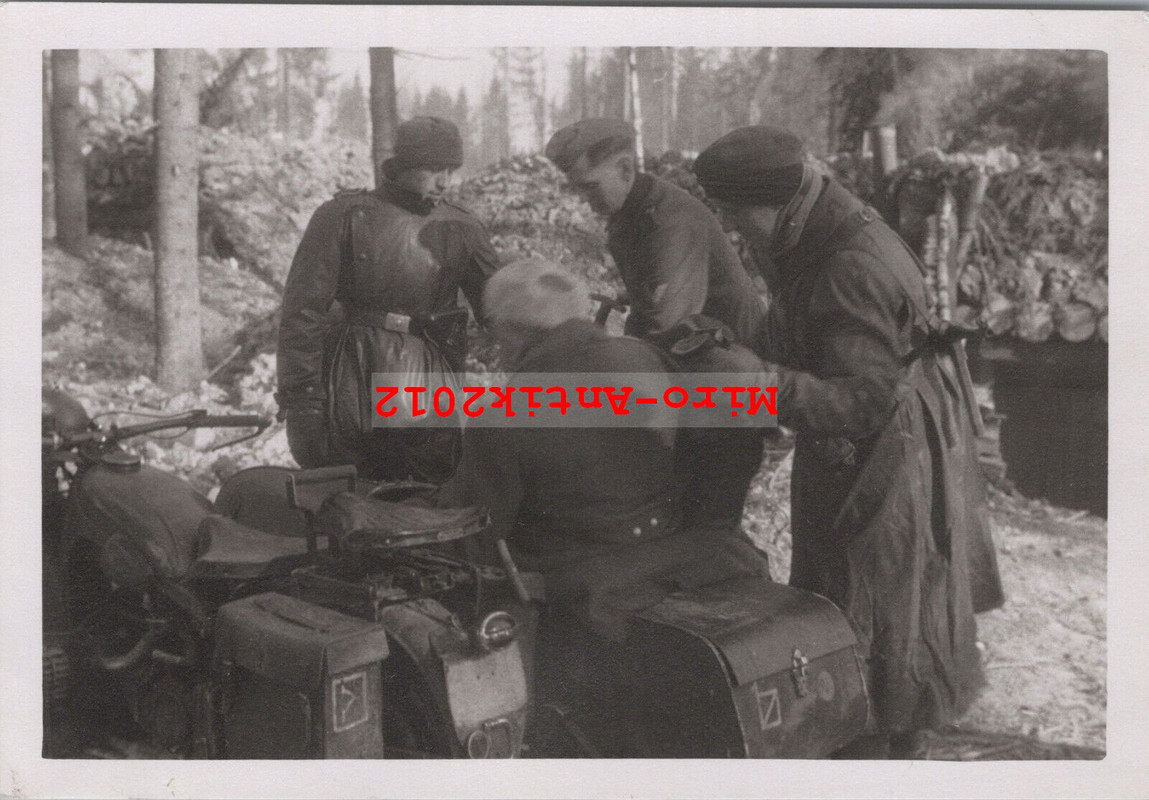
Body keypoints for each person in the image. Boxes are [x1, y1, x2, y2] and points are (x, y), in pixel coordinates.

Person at [693, 125, 1005, 758]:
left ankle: (872, 759)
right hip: (885, 437)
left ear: (772, 200)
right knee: (883, 610)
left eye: (732, 211)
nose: (727, 226)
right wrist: (737, 347)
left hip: (886, 452)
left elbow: (862, 401)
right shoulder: (814, 224)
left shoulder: (847, 265)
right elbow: (822, 339)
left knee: (874, 612)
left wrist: (761, 383)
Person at [276, 116, 499, 484]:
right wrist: (302, 399)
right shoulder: (343, 216)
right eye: (432, 169)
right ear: (403, 166)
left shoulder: (461, 228)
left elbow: (498, 309)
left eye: (450, 169)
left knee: (428, 498)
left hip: (429, 383)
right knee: (351, 500)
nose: (444, 181)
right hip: (352, 378)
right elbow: (302, 313)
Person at [544, 118, 764, 344]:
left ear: (625, 169)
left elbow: (669, 332)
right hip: (699, 349)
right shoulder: (630, 210)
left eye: (590, 187)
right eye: (577, 188)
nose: (582, 199)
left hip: (736, 358)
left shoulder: (672, 224)